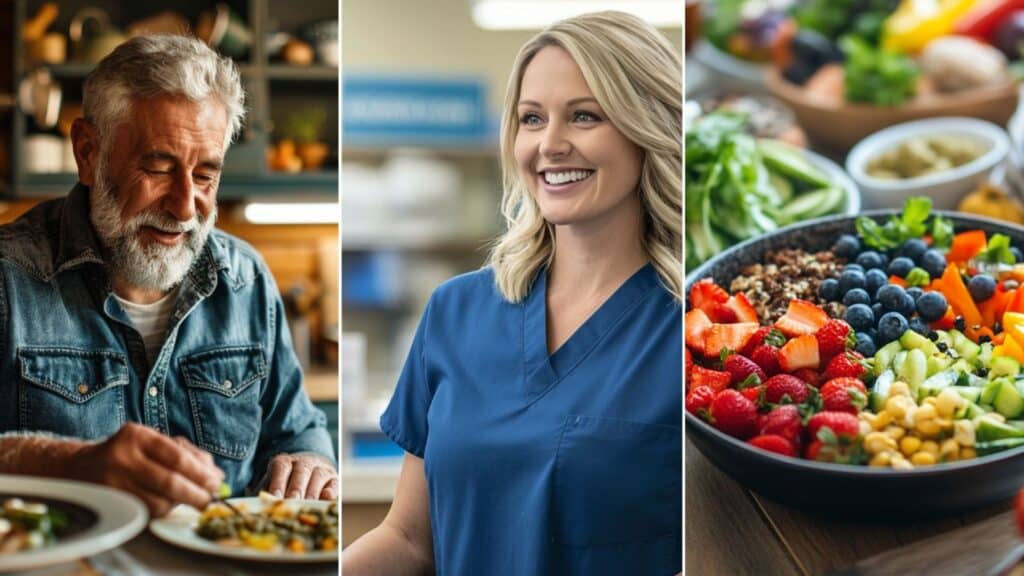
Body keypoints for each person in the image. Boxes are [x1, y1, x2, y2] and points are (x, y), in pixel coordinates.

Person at [344, 11, 682, 575]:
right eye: (531, 119)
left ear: (647, 127)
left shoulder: (684, 330)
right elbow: (407, 540)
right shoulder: (455, 311)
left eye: (584, 116)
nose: (550, 144)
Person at [0, 35, 337, 516]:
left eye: (204, 177)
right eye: (158, 168)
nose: (184, 207)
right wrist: (72, 464)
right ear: (89, 153)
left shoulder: (247, 282)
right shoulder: (8, 279)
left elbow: (298, 428)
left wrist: (311, 461)